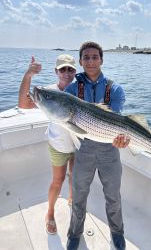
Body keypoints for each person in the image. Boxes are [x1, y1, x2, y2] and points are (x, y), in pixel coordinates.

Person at [65, 41, 130, 250]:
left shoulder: (115, 89)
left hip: (110, 149)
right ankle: (74, 234)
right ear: (81, 61)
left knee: (113, 196)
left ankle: (117, 233)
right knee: (79, 194)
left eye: (94, 57)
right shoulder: (72, 89)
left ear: (101, 59)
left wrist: (123, 138)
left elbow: (117, 121)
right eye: (86, 57)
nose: (90, 61)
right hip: (84, 150)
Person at [18, 54, 77, 235]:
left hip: (79, 146)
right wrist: (28, 75)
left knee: (74, 177)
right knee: (57, 181)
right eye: (62, 69)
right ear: (56, 71)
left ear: (75, 71)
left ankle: (72, 199)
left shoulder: (80, 90)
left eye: (70, 69)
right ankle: (50, 212)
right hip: (58, 145)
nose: (66, 73)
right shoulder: (48, 92)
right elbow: (23, 104)